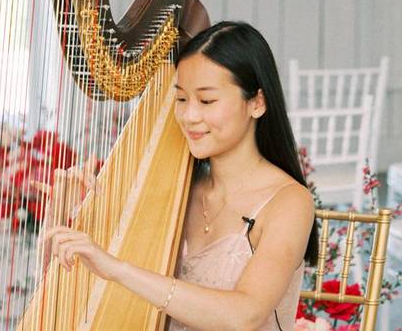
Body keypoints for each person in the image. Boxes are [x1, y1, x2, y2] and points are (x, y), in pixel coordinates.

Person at [45, 21, 318, 330]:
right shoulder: (170, 191)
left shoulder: (289, 202)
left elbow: (246, 314)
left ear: (257, 103)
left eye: (207, 100)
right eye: (181, 99)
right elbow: (69, 293)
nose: (189, 116)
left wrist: (118, 269)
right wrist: (64, 215)